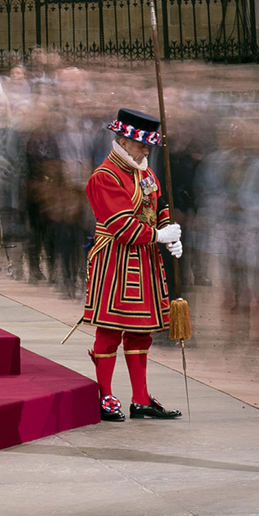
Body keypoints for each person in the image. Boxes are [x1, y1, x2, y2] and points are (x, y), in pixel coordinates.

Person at [82, 107, 184, 422]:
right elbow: (122, 227)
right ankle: (105, 394)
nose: (146, 150)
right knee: (110, 330)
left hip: (145, 260)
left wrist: (169, 233)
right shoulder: (104, 177)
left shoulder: (145, 172)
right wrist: (158, 234)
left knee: (141, 333)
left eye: (148, 146)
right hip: (115, 261)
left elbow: (159, 204)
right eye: (142, 145)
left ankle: (140, 399)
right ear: (124, 141)